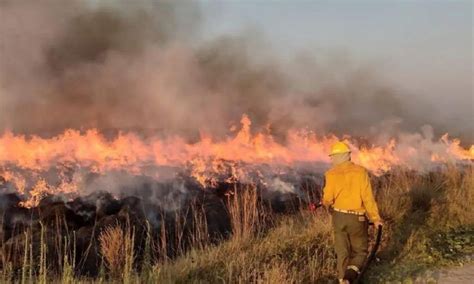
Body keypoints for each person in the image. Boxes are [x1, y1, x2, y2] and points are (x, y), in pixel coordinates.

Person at [322, 141, 383, 284]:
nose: (331, 159)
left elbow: (327, 199)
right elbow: (368, 198)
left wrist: (324, 202)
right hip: (357, 219)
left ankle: (342, 279)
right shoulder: (360, 172)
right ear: (348, 155)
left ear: (337, 157)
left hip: (338, 218)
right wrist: (375, 218)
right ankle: (350, 277)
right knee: (360, 252)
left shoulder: (330, 174)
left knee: (342, 251)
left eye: (333, 157)